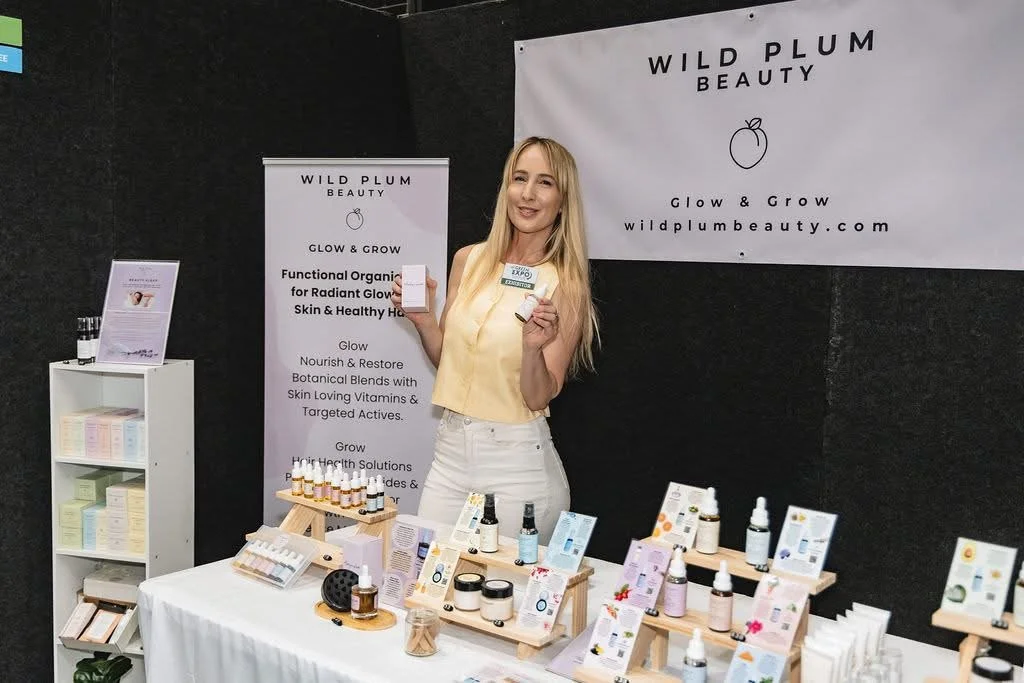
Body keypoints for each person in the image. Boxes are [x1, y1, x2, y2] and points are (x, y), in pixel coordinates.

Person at [391, 136, 599, 542]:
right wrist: (423, 321)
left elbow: (539, 397)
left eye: (545, 182)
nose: (528, 193)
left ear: (563, 199)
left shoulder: (566, 285)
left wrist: (532, 348)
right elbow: (448, 361)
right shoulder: (469, 260)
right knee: (431, 583)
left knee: (504, 599)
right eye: (519, 178)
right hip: (449, 455)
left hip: (516, 465)